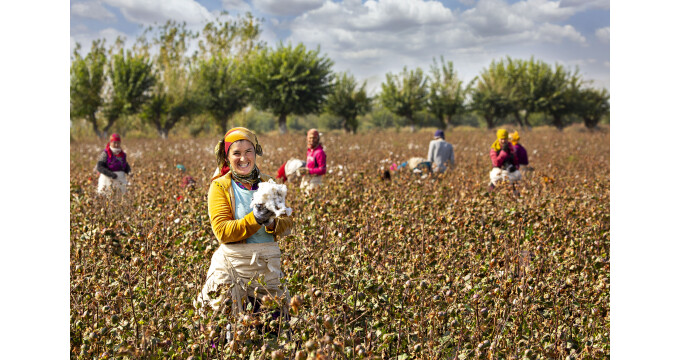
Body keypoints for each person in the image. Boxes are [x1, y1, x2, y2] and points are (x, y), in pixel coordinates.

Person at [196, 127, 294, 318]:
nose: (243, 158)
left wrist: (271, 224)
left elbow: (287, 223)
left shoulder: (268, 183)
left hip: (267, 271)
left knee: (277, 328)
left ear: (255, 153)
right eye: (236, 153)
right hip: (233, 269)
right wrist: (255, 219)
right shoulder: (220, 186)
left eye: (248, 151)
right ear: (227, 157)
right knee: (226, 330)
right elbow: (222, 231)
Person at [488, 129, 521, 194]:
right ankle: (490, 196)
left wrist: (515, 167)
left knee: (516, 177)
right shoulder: (494, 149)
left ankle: (517, 196)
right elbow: (496, 163)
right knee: (495, 179)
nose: (503, 141)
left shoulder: (511, 148)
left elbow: (516, 161)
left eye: (505, 139)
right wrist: (503, 152)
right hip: (498, 170)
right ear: (498, 138)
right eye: (501, 139)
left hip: (509, 170)